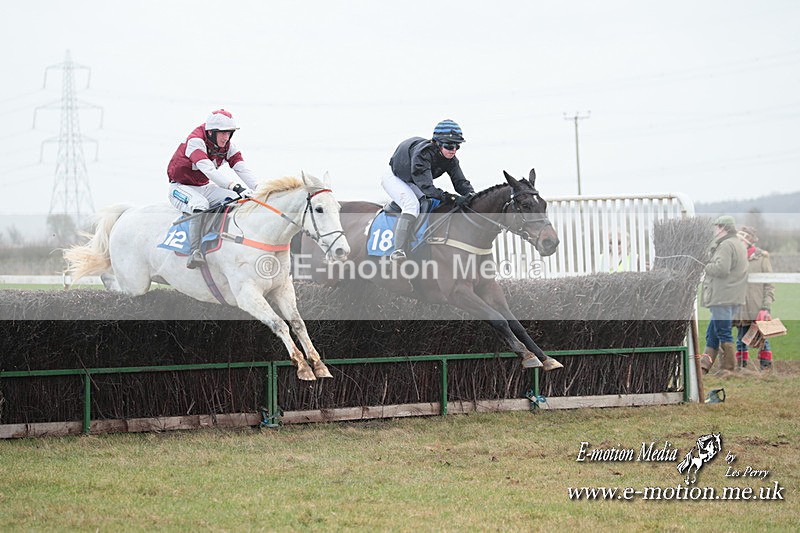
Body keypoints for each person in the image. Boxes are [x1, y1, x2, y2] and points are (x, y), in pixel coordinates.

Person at [167, 109, 260, 269]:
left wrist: (260, 189)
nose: (226, 137)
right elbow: (210, 170)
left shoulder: (229, 146)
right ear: (211, 132)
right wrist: (235, 186)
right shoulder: (195, 142)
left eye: (229, 133)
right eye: (222, 133)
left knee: (234, 199)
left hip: (203, 187)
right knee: (200, 204)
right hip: (180, 187)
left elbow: (241, 168)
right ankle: (194, 251)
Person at [381, 119, 476, 261]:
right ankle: (398, 250)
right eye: (449, 145)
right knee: (411, 205)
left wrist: (474, 196)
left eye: (457, 146)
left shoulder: (451, 159)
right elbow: (428, 189)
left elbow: (460, 183)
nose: (454, 150)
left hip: (413, 179)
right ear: (437, 143)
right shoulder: (423, 154)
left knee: (427, 203)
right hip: (395, 178)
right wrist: (453, 198)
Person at [699, 215, 748, 375]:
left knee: (723, 332)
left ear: (723, 228)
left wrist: (703, 264)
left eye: (717, 227)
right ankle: (703, 366)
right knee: (712, 332)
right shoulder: (738, 244)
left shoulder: (726, 245)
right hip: (733, 296)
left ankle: (728, 368)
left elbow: (721, 269)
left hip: (722, 297)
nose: (715, 230)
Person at [733, 225, 776, 370]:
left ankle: (766, 369)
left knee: (763, 339)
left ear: (748, 242)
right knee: (741, 339)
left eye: (741, 240)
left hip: (758, 307)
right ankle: (741, 368)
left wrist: (765, 307)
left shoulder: (762, 258)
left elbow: (769, 285)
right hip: (740, 308)